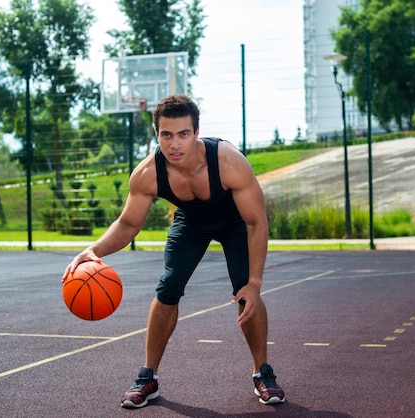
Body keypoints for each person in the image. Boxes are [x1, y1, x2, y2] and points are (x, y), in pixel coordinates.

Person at [62, 94, 285, 408]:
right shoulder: (147, 174)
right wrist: (93, 250)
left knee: (244, 289)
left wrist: (256, 282)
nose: (175, 144)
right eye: (167, 135)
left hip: (236, 221)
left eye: (183, 134)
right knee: (168, 286)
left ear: (196, 132)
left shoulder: (227, 161)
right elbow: (127, 225)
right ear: (157, 135)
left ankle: (262, 372)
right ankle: (148, 376)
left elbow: (256, 222)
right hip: (191, 222)